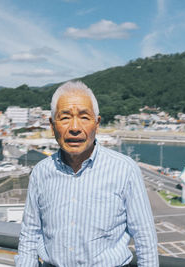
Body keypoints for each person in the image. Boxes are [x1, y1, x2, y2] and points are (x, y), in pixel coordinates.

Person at [15, 81, 158, 266]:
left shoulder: (124, 170)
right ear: (52, 126)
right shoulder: (41, 172)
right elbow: (29, 235)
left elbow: (145, 238)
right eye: (65, 117)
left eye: (84, 117)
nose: (75, 127)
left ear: (97, 124)